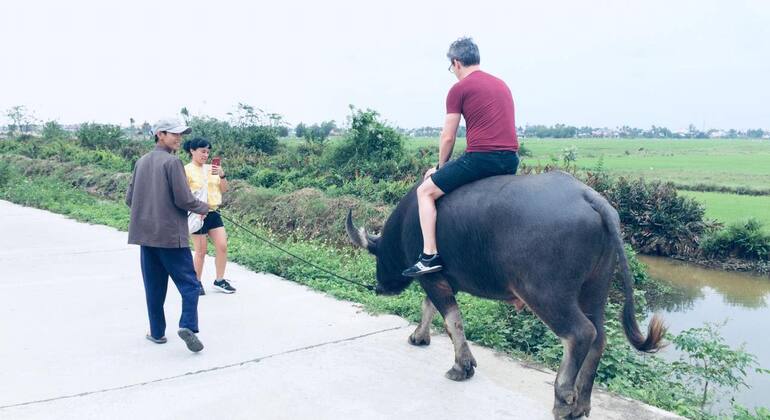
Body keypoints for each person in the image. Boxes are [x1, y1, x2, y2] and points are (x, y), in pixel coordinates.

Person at [402, 37, 520, 277]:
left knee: (425, 191)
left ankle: (429, 255)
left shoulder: (459, 88)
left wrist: (439, 167)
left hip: (481, 159)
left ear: (456, 63)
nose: (452, 72)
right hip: (510, 159)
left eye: (451, 67)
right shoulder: (501, 84)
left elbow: (448, 136)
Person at [125, 118, 209, 352]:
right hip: (171, 237)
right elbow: (183, 200)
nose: (179, 138)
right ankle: (188, 325)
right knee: (190, 285)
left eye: (181, 135)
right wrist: (204, 207)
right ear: (160, 134)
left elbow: (129, 199)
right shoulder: (172, 163)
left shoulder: (141, 162)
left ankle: (157, 332)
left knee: (154, 286)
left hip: (145, 236)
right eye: (174, 134)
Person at [182, 137, 236, 295]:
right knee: (201, 251)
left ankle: (220, 280)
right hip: (197, 214)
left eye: (207, 152)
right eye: (202, 151)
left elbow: (224, 189)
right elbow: (184, 194)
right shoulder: (186, 170)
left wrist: (222, 175)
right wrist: (197, 209)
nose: (205, 155)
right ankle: (196, 282)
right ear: (192, 151)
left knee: (222, 246)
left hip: (214, 212)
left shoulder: (212, 168)